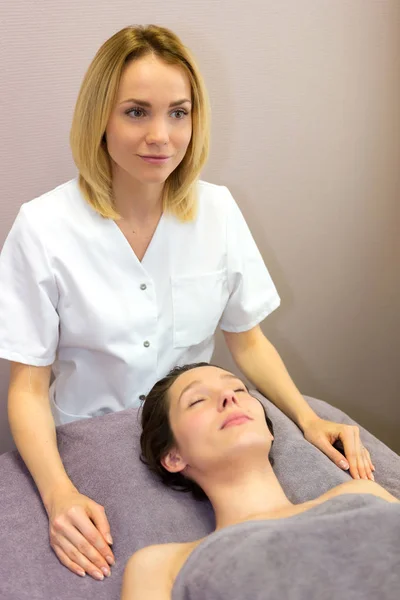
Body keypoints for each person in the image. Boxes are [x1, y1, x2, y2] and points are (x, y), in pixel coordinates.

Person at [0, 25, 374, 582]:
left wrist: (304, 416)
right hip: (90, 439)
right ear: (99, 117)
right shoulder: (44, 228)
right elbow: (27, 388)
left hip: (198, 436)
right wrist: (59, 495)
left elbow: (247, 339)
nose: (161, 136)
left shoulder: (217, 211)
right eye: (136, 112)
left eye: (178, 112)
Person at [122, 363, 399, 599]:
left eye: (239, 389)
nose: (229, 396)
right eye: (196, 400)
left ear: (270, 432)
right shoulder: (159, 566)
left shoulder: (361, 492)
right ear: (173, 457)